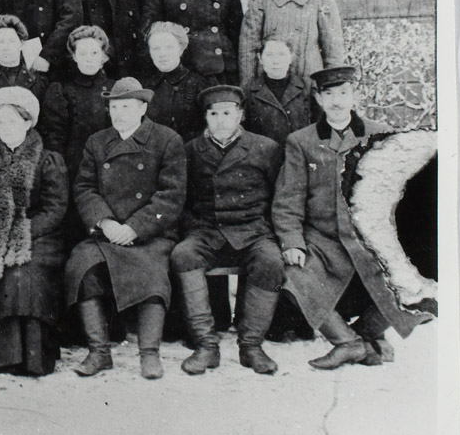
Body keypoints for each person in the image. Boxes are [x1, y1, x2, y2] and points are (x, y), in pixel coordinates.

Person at [272, 66, 426, 369]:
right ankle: (348, 343)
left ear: (355, 94)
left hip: (370, 239)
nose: (337, 101)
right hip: (324, 240)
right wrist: (293, 242)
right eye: (329, 94)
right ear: (318, 98)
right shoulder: (301, 141)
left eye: (343, 93)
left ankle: (366, 334)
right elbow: (287, 201)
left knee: (422, 284)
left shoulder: (379, 133)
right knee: (290, 275)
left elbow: (400, 195)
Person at [64, 77, 187, 381]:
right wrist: (105, 222)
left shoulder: (167, 140)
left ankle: (149, 354)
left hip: (149, 233)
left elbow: (171, 196)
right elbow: (84, 188)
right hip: (106, 232)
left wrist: (134, 228)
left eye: (126, 106)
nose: (118, 113)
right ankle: (99, 351)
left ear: (142, 107)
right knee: (81, 266)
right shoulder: (97, 141)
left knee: (152, 273)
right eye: (114, 106)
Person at [172, 85, 285, 376]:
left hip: (253, 231)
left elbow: (280, 197)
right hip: (207, 231)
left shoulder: (266, 148)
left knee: (271, 261)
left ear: (241, 115)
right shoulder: (190, 150)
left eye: (227, 113)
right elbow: (180, 199)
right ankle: (207, 346)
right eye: (213, 113)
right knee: (183, 255)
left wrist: (268, 231)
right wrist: (193, 228)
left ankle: (251, 347)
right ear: (205, 117)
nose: (220, 119)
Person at [0, 87, 68, 376]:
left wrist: (23, 231)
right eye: (1, 122)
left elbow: (55, 209)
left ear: (28, 122)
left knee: (22, 273)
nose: (7, 128)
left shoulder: (48, 160)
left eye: (14, 121)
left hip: (37, 235)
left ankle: (27, 358)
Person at [37, 26, 114, 232]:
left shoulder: (116, 91)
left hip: (111, 176)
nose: (89, 59)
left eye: (95, 53)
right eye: (82, 53)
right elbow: (55, 141)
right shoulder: (61, 91)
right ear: (74, 57)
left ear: (104, 57)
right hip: (73, 176)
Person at [238, 0, 346, 87]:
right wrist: (248, 92)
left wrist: (332, 89)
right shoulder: (260, 5)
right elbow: (248, 53)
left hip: (309, 85)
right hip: (270, 89)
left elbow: (333, 53)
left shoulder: (321, 4)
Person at [0, 15, 48, 148]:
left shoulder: (39, 82)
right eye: (0, 42)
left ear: (21, 43)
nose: (6, 47)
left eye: (11, 41)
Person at [242, 39, 314, 146]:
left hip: (300, 157)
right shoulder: (248, 91)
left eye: (281, 54)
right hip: (263, 158)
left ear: (291, 57)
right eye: (269, 55)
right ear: (260, 58)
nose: (276, 61)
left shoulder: (307, 87)